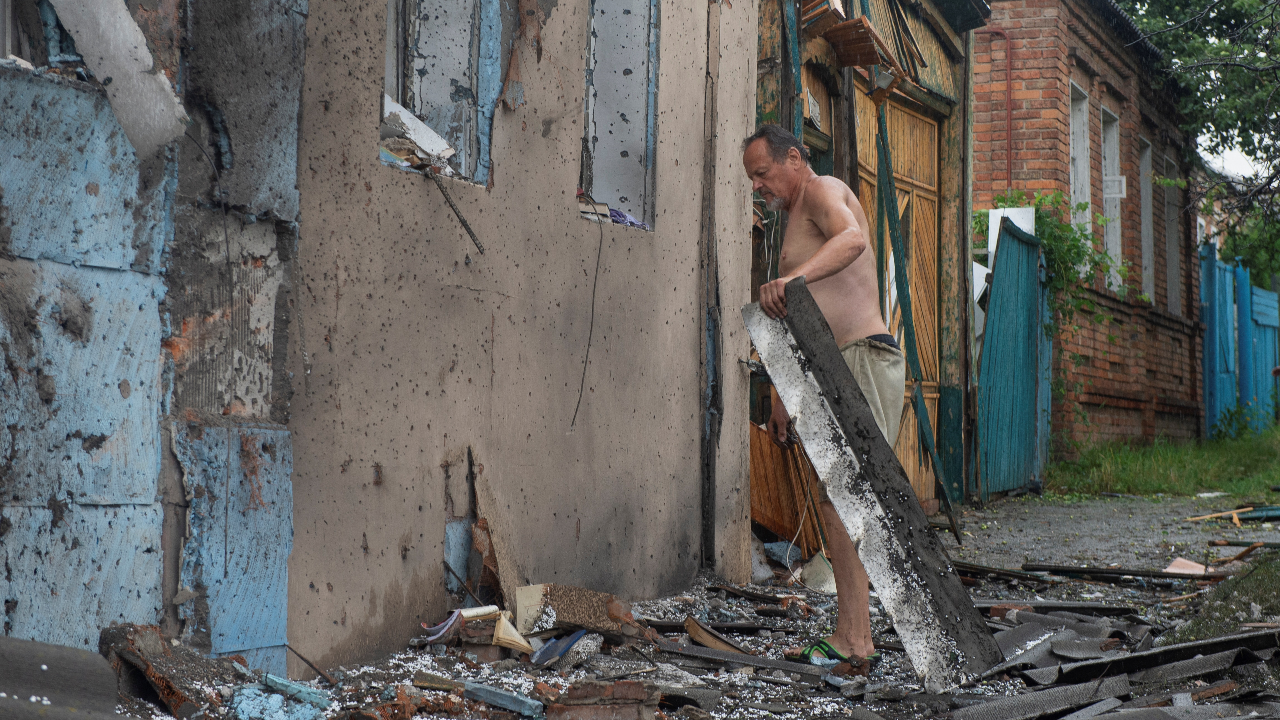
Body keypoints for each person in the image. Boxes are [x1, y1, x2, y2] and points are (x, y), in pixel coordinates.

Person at [743, 123, 906, 669]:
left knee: (850, 500)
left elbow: (853, 239)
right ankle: (853, 636)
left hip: (862, 359)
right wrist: (782, 394)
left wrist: (792, 282)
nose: (758, 186)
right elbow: (802, 315)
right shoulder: (793, 219)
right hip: (831, 369)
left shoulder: (822, 190)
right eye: (752, 180)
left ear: (794, 158)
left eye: (762, 173)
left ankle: (857, 638)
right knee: (840, 502)